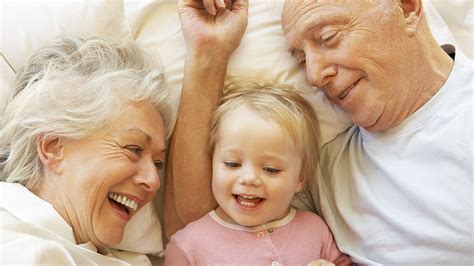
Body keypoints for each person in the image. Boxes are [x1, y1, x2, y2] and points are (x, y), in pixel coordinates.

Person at [164, 0, 473, 264]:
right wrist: (209, 52)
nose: (313, 75)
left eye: (328, 37)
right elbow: (197, 225)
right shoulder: (325, 167)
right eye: (301, 59)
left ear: (407, 7)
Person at [0, 36, 173, 265]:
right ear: (53, 147)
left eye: (158, 163)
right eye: (134, 149)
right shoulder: (20, 251)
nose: (154, 181)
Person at [164, 81, 352, 265]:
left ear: (300, 178)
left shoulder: (314, 230)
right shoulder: (188, 246)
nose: (249, 178)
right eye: (232, 164)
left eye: (271, 169)